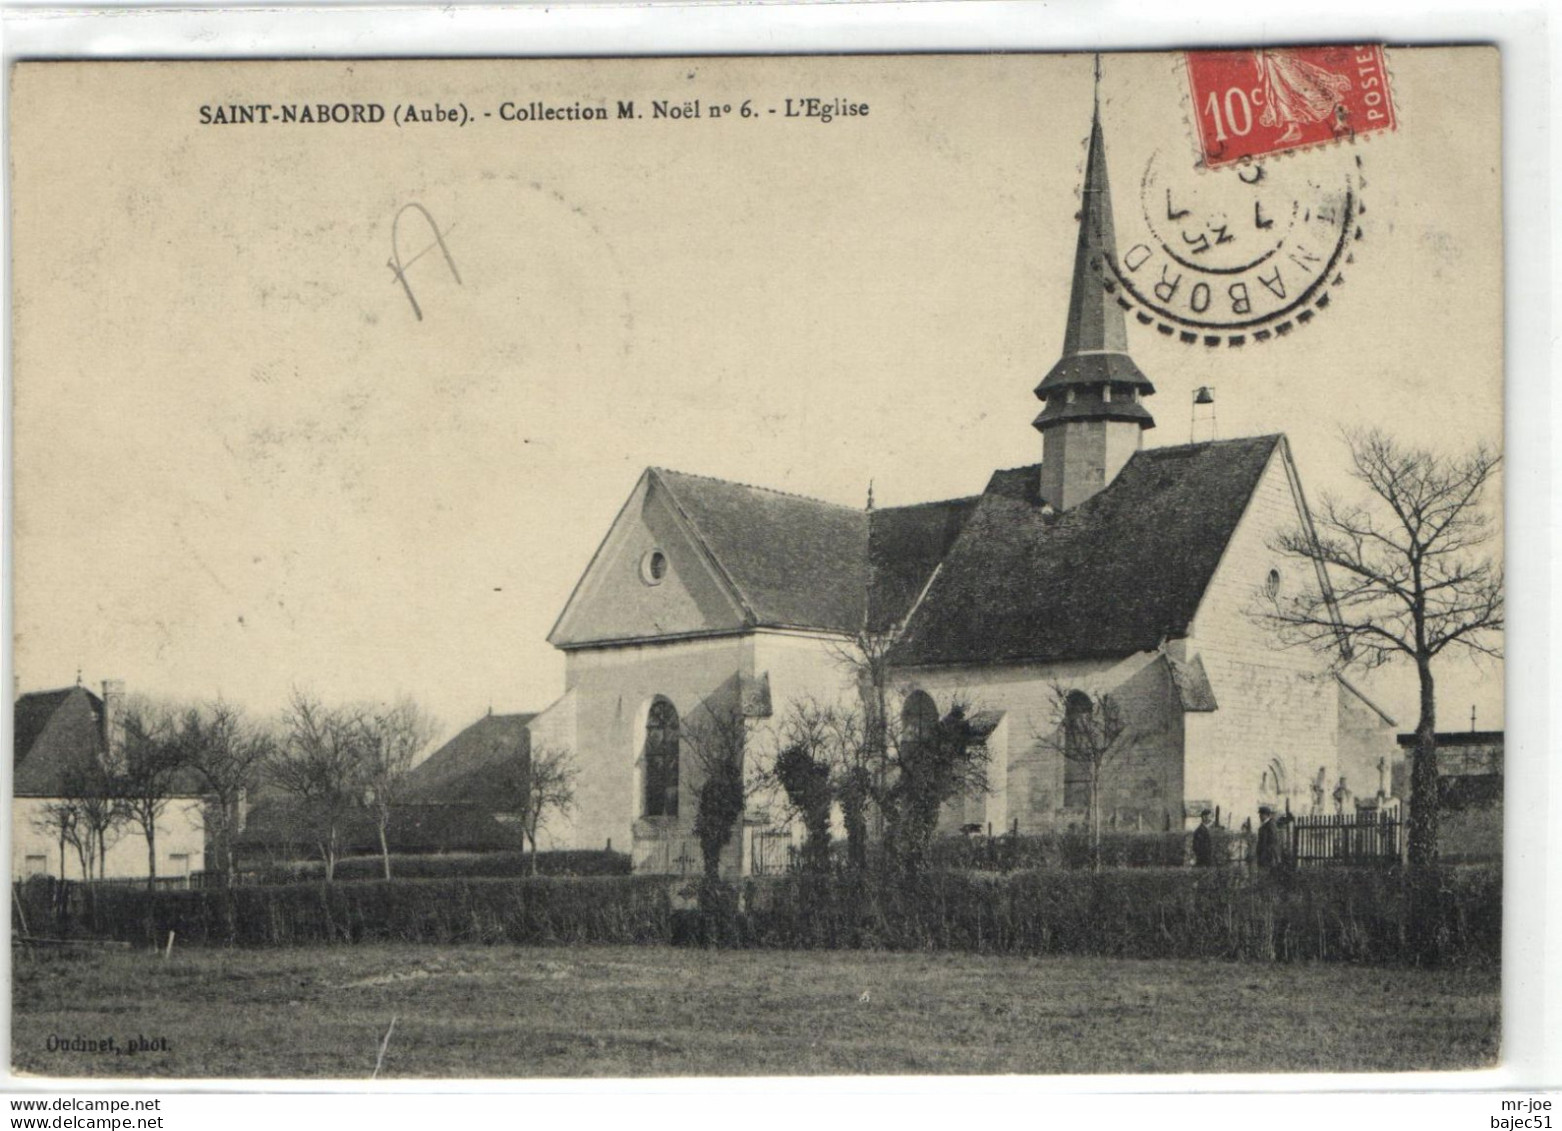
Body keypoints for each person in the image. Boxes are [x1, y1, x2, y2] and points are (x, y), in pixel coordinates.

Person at [1255, 804, 1280, 870]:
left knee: (1268, 876)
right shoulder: (1264, 825)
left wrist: (1266, 854)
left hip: (1268, 857)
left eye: (1262, 814)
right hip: (1263, 856)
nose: (1260, 816)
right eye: (1259, 814)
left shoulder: (1270, 825)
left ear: (1267, 815)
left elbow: (1272, 841)